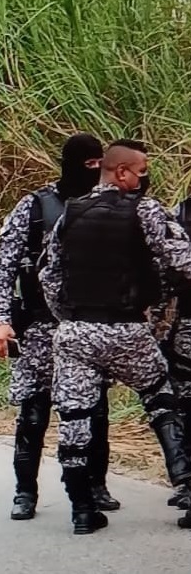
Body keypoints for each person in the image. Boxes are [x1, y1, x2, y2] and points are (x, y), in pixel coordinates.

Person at [40, 139, 191, 535]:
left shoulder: (69, 213)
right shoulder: (145, 210)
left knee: (74, 417)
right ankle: (187, 487)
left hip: (75, 333)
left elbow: (49, 277)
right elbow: (180, 260)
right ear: (121, 172)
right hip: (127, 329)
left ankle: (82, 511)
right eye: (142, 172)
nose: (145, 178)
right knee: (162, 400)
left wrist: (70, 318)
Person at [0, 133, 119, 522]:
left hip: (87, 328)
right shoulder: (35, 207)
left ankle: (95, 486)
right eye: (89, 165)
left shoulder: (107, 207)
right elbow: (5, 267)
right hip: (39, 330)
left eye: (101, 164)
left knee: (93, 411)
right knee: (34, 413)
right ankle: (25, 492)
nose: (96, 172)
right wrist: (1, 320)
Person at [152, 195, 191, 511]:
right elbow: (162, 273)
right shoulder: (176, 216)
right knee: (184, 403)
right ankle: (188, 485)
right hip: (185, 324)